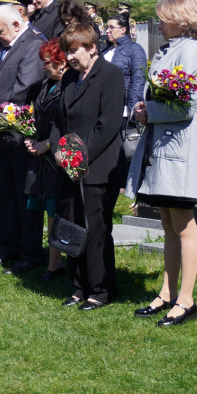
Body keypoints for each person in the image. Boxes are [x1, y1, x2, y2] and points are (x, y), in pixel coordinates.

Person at [126, 0, 197, 326]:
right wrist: (145, 111)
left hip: (178, 150)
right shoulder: (170, 50)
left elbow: (189, 107)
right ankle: (166, 292)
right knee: (168, 225)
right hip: (161, 148)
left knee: (184, 226)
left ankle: (186, 300)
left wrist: (151, 113)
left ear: (181, 18)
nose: (157, 23)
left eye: (162, 18)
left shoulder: (191, 52)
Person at [49, 23, 125, 311]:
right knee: (71, 225)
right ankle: (78, 287)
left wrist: (76, 156)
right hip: (68, 166)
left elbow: (107, 126)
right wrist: (58, 150)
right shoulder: (69, 79)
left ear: (92, 47)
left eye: (74, 50)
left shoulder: (110, 75)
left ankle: (101, 289)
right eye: (66, 51)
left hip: (97, 167)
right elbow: (59, 121)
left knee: (95, 229)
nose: (68, 57)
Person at [0, 4, 47, 273]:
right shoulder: (8, 45)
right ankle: (9, 247)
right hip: (3, 135)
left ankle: (30, 254)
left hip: (20, 135)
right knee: (5, 194)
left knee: (24, 198)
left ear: (17, 25)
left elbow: (24, 89)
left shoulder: (33, 45)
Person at [23, 38, 68, 282]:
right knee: (47, 212)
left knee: (55, 212)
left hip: (57, 158)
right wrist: (31, 138)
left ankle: (56, 264)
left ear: (63, 63)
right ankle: (53, 262)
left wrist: (48, 145)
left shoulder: (69, 87)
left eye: (48, 61)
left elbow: (65, 124)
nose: (44, 65)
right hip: (41, 158)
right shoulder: (46, 85)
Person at [103, 14, 147, 125]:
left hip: (123, 111)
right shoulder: (104, 51)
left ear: (123, 30)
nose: (107, 31)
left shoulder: (134, 49)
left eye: (111, 27)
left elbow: (138, 80)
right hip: (103, 109)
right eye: (106, 27)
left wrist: (133, 111)